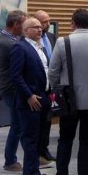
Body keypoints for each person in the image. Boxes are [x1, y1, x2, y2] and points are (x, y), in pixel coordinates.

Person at [48, 8, 88, 175]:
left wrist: (57, 89)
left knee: (65, 141)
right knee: (87, 143)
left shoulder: (62, 42)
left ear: (73, 23)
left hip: (68, 101)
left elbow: (53, 72)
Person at [10, 17, 51, 175]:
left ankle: (30, 174)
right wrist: (28, 96)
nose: (39, 29)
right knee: (30, 138)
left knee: (39, 138)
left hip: (44, 98)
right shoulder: (20, 47)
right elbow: (16, 76)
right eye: (35, 27)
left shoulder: (40, 47)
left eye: (40, 27)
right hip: (30, 101)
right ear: (25, 31)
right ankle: (33, 174)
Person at [0, 9, 27, 173]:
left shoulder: (7, 39)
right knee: (17, 126)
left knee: (18, 125)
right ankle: (10, 161)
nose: (26, 28)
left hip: (10, 88)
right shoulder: (9, 43)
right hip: (11, 89)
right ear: (15, 24)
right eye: (24, 24)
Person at [33, 9, 56, 165]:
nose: (47, 24)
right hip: (37, 87)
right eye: (44, 22)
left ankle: (44, 150)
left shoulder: (52, 37)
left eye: (48, 21)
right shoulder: (30, 41)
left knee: (48, 121)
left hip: (51, 86)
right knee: (37, 124)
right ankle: (37, 153)